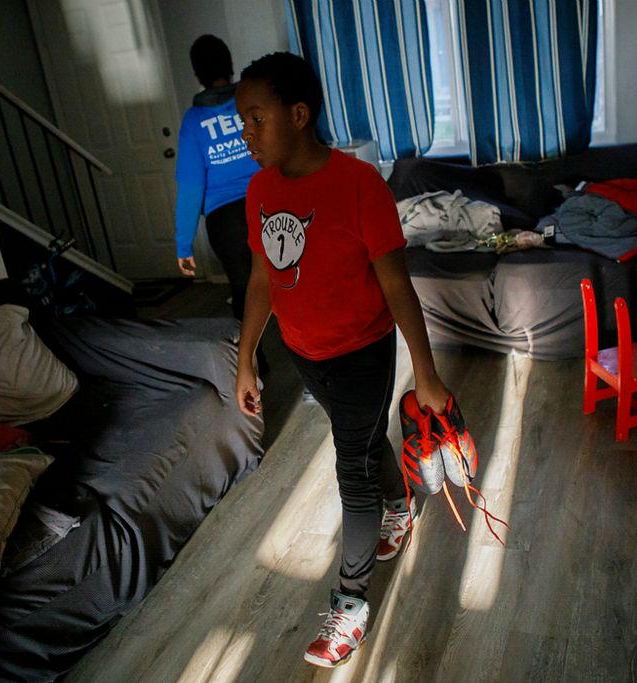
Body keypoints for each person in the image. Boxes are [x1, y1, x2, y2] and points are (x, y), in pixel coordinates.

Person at [234, 52, 452, 668]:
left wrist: (427, 373)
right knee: (357, 438)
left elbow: (397, 286)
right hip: (305, 353)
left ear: (299, 115)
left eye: (256, 120)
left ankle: (350, 603)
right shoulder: (259, 189)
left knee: (349, 469)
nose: (246, 135)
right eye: (242, 122)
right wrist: (246, 356)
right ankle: (400, 504)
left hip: (362, 352)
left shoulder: (360, 185)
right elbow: (260, 281)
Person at [174, 34, 259, 322]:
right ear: (231, 65)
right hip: (267, 201)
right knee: (289, 278)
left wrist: (184, 245)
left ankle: (252, 361)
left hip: (225, 220)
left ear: (197, 74)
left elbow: (190, 187)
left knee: (243, 288)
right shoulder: (252, 104)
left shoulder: (193, 121)